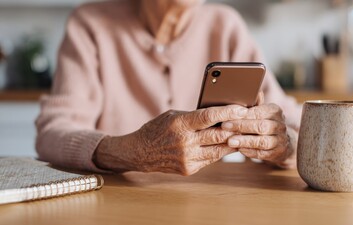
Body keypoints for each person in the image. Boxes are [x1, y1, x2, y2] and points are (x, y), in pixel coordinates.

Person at [35, 0, 301, 175]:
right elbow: (53, 132)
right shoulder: (90, 24)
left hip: (214, 209)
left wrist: (283, 145)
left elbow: (293, 123)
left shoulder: (225, 25)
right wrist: (129, 152)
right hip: (117, 208)